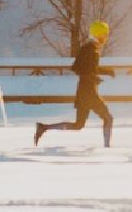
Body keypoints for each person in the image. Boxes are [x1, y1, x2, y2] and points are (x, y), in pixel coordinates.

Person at [35, 19, 116, 148]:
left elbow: (78, 68)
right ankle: (107, 148)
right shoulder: (93, 51)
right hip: (90, 92)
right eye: (105, 35)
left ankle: (44, 127)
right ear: (99, 35)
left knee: (79, 125)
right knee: (108, 118)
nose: (106, 38)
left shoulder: (86, 48)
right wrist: (94, 77)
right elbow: (86, 70)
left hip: (83, 90)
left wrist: (100, 73)